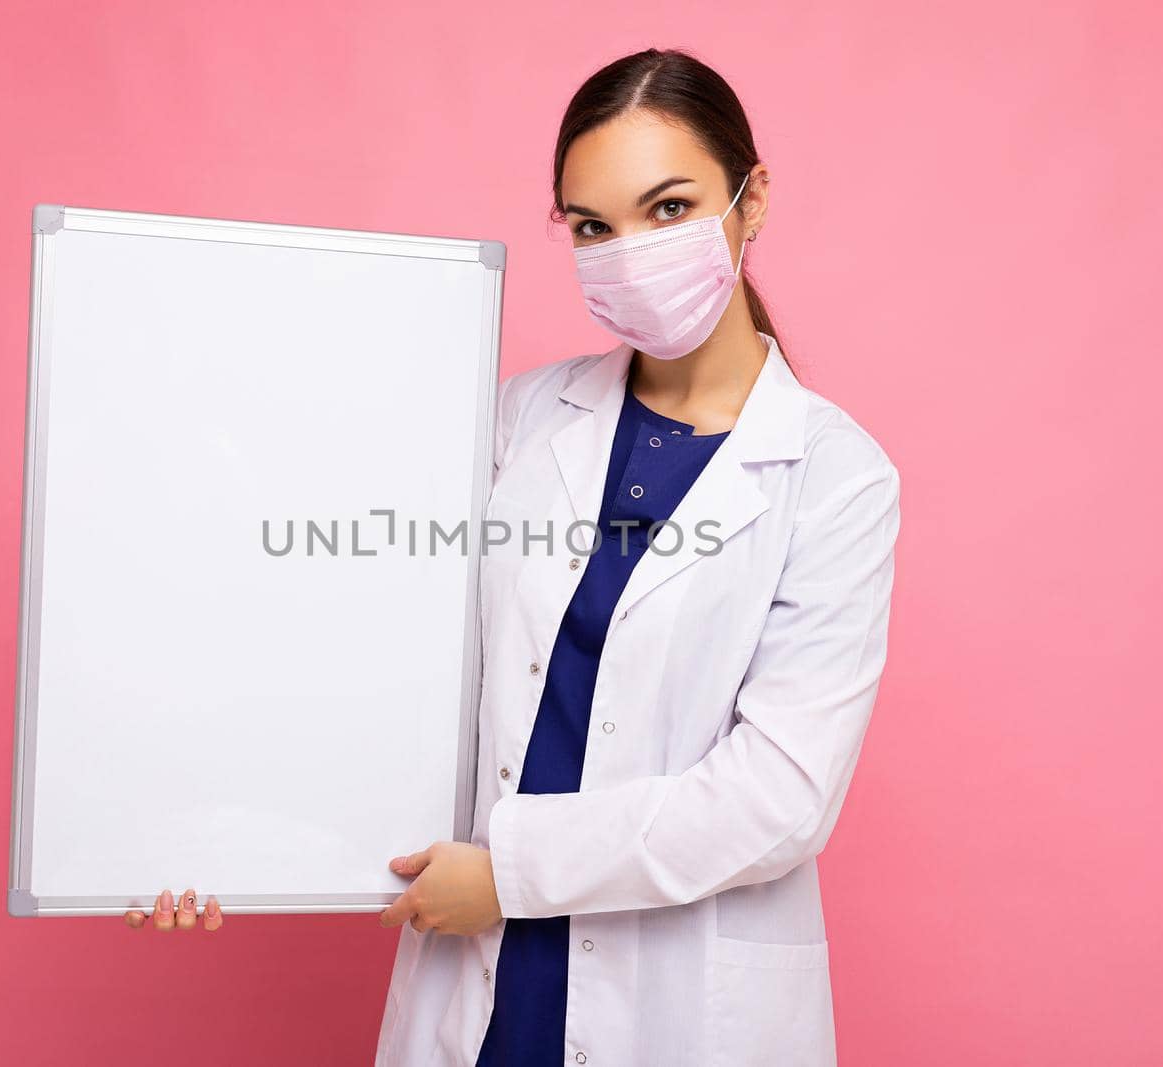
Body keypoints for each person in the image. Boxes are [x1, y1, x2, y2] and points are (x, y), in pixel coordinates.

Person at [130, 46, 901, 1067]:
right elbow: (371, 657)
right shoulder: (520, 422)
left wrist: (509, 875)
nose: (629, 252)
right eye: (593, 227)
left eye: (667, 209)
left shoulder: (837, 477)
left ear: (750, 199)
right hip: (485, 981)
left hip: (675, 1001)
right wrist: (219, 835)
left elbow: (777, 797)